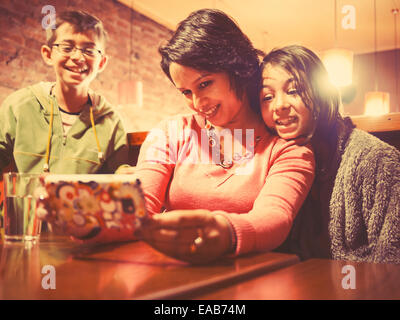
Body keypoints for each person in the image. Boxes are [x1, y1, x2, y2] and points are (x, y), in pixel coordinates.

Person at [129, 9, 315, 264]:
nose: (196, 103)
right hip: (168, 273)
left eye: (205, 84)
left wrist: (225, 232)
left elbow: (275, 217)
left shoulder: (287, 152)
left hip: (247, 281)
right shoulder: (169, 134)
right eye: (185, 92)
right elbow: (138, 205)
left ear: (237, 70)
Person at [260, 45, 400, 264]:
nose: (279, 105)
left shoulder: (375, 158)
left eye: (293, 91)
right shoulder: (270, 162)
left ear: (319, 94)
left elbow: (392, 263)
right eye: (267, 96)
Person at [0, 10, 129, 176]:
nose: (78, 57)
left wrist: (125, 173)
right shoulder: (19, 104)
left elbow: (118, 175)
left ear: (102, 63)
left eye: (89, 50)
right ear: (48, 54)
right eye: (67, 48)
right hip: (28, 202)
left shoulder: (111, 120)